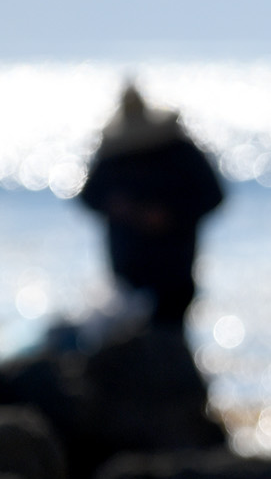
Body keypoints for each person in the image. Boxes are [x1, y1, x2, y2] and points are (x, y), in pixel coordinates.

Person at [78, 83, 225, 326]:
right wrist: (117, 207)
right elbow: (88, 197)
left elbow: (213, 195)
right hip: (127, 271)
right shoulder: (115, 154)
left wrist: (170, 215)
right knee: (131, 340)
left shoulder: (179, 151)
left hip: (175, 268)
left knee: (168, 336)